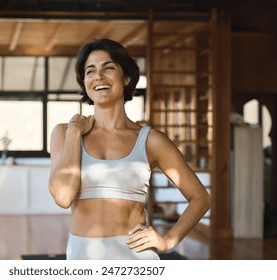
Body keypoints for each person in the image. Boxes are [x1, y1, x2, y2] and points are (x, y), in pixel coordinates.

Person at [49, 38, 211, 260]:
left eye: (108, 68)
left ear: (126, 77)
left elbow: (200, 198)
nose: (98, 76)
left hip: (135, 257)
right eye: (90, 71)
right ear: (84, 82)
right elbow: (63, 197)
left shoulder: (150, 140)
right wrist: (75, 133)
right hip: (82, 257)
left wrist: (168, 240)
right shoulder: (64, 134)